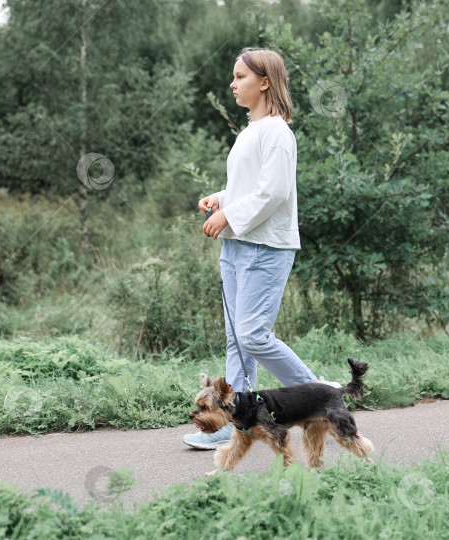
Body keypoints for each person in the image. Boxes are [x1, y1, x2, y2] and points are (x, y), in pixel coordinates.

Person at [183, 47, 339, 450]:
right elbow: (250, 187)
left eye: (240, 77)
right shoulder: (249, 132)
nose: (233, 84)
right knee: (237, 340)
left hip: (264, 247)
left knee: (253, 335)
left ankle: (321, 395)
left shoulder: (278, 133)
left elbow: (272, 193)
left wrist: (228, 216)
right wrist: (220, 199)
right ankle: (229, 424)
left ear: (265, 82)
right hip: (237, 248)